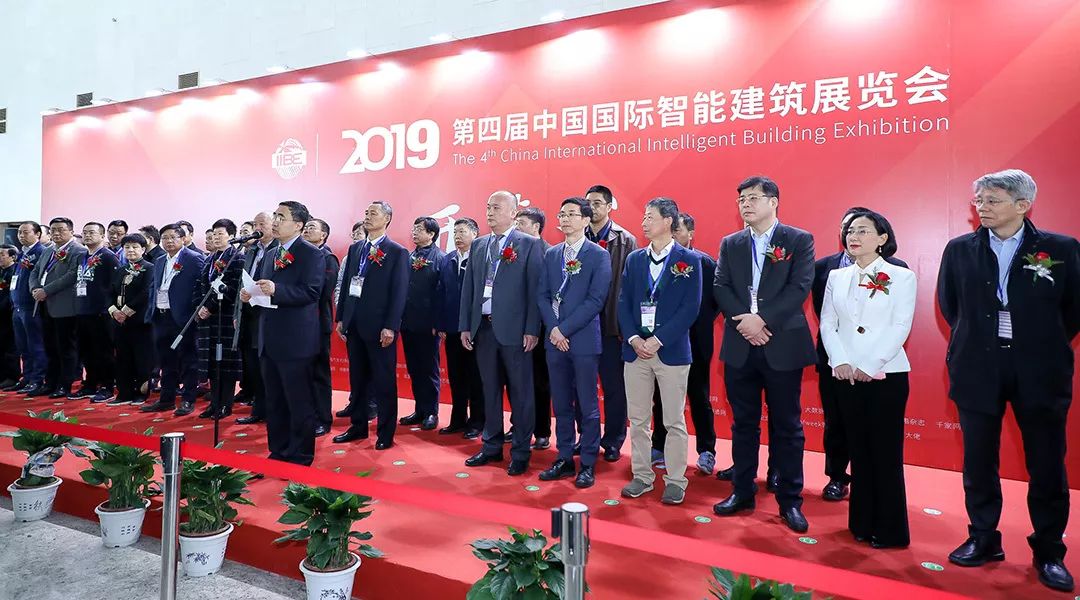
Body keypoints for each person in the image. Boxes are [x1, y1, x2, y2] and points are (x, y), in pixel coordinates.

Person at [938, 169, 1079, 593]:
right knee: (979, 458)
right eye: (978, 200)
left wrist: (1039, 341)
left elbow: (1073, 309)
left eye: (992, 200)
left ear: (1023, 205)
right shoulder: (960, 249)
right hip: (977, 366)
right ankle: (983, 536)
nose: (982, 207)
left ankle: (1049, 550)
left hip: (1039, 369)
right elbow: (950, 304)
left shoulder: (1060, 248)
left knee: (1046, 463)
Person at [712, 176, 815, 534]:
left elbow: (799, 287)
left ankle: (790, 500)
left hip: (781, 343)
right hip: (741, 344)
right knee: (743, 424)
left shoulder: (798, 239)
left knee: (787, 426)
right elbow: (721, 286)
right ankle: (742, 491)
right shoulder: (732, 243)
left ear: (773, 202)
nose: (746, 204)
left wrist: (762, 320)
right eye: (741, 199)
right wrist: (746, 323)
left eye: (753, 198)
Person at [820, 209, 915, 548]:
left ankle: (890, 531)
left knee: (884, 453)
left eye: (862, 230)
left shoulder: (901, 276)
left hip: (886, 375)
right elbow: (827, 323)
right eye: (849, 231)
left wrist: (870, 363)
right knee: (858, 450)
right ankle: (861, 523)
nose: (853, 237)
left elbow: (900, 326)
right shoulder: (836, 276)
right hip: (845, 375)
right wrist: (841, 360)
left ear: (882, 238)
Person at [617, 197, 701, 505]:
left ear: (668, 221)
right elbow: (623, 302)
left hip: (671, 352)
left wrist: (658, 339)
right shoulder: (635, 259)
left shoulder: (688, 260)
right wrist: (633, 338)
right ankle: (641, 475)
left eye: (650, 217)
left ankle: (676, 480)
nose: (644, 222)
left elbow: (690, 308)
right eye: (644, 217)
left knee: (673, 420)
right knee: (638, 419)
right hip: (636, 351)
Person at [460, 190, 544, 476]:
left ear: (513, 212)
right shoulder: (479, 245)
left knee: (521, 394)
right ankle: (491, 446)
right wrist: (466, 325)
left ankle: (520, 452)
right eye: (488, 207)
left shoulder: (529, 244)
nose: (490, 212)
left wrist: (532, 328)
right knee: (489, 391)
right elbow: (469, 289)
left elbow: (535, 290)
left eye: (496, 207)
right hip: (483, 329)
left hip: (516, 332)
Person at [536, 198, 611, 488]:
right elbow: (543, 295)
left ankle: (588, 462)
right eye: (562, 214)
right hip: (555, 341)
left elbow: (595, 300)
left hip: (583, 342)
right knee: (561, 403)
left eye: (571, 214)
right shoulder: (552, 254)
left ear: (586, 220)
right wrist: (554, 330)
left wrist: (564, 330)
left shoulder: (598, 255)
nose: (565, 219)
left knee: (588, 405)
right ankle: (564, 457)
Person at [241, 201, 324, 466]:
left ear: (298, 225)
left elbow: (311, 292)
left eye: (281, 217)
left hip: (296, 341)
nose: (275, 221)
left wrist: (277, 289)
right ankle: (278, 451)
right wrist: (251, 294)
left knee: (298, 401)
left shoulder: (311, 254)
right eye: (275, 216)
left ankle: (300, 454)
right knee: (274, 400)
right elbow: (265, 290)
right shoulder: (270, 253)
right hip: (269, 338)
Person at [332, 201, 409, 450]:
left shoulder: (396, 252)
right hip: (354, 324)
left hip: (380, 328)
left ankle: (385, 432)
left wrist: (391, 326)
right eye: (366, 213)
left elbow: (399, 292)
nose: (367, 216)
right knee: (358, 379)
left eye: (373, 213)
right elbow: (346, 284)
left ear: (387, 219)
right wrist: (341, 318)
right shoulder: (356, 249)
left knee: (384, 382)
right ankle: (358, 426)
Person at [649, 212, 719, 475]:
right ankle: (659, 445)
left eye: (677, 230)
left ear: (691, 234)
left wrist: (696, 322)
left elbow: (715, 303)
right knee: (661, 397)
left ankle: (706, 450)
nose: (673, 234)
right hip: (663, 341)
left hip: (696, 342)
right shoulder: (656, 261)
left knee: (699, 397)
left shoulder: (704, 263)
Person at [584, 184, 637, 462]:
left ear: (609, 206)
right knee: (582, 386)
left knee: (615, 387)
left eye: (597, 203)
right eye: (588, 203)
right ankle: (586, 436)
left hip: (611, 326)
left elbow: (631, 288)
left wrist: (626, 326)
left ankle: (614, 440)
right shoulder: (577, 236)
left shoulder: (625, 240)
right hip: (581, 325)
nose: (592, 208)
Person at [139, 223, 205, 416]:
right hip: (161, 316)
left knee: (188, 359)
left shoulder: (194, 258)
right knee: (166, 359)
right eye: (164, 238)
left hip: (183, 317)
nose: (168, 241)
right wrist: (151, 310)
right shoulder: (160, 260)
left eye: (172, 237)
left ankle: (188, 399)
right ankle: (166, 399)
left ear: (183, 239)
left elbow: (201, 286)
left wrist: (195, 311)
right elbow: (154, 286)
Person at [435, 218, 485, 439]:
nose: (457, 236)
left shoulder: (481, 258)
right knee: (456, 376)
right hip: (452, 327)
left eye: (462, 231)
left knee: (475, 376)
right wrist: (441, 323)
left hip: (475, 328)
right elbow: (441, 293)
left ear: (475, 233)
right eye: (455, 232)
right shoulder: (448, 259)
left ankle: (477, 421)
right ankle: (458, 420)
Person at [30, 217, 87, 399]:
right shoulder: (48, 250)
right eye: (53, 229)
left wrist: (45, 290)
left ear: (71, 231)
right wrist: (35, 288)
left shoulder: (79, 250)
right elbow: (35, 271)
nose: (56, 233)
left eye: (61, 229)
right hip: (44, 304)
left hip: (65, 306)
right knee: (50, 347)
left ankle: (65, 384)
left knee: (66, 348)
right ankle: (50, 383)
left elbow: (72, 276)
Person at [195, 219, 245, 420]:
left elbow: (234, 288)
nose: (215, 237)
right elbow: (199, 285)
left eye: (220, 234)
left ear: (232, 236)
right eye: (213, 234)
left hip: (225, 317)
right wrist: (200, 307)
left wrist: (210, 307)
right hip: (208, 320)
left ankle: (225, 404)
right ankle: (214, 403)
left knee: (226, 363)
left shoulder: (237, 258)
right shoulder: (209, 258)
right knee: (212, 363)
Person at [399, 216, 445, 430]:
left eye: (420, 229)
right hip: (408, 322)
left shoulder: (440, 258)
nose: (414, 232)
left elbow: (441, 293)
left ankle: (431, 412)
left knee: (429, 369)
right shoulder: (409, 256)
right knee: (414, 368)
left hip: (428, 325)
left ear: (431, 234)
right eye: (414, 228)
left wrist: (438, 322)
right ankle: (419, 409)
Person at [516, 207, 552, 450]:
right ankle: (518, 426)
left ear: (536, 227)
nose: (517, 227)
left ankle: (542, 431)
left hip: (541, 328)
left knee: (540, 381)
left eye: (522, 223)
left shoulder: (549, 252)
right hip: (514, 326)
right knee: (516, 381)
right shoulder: (512, 251)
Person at [333, 221, 376, 421]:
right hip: (352, 318)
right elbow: (341, 285)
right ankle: (355, 402)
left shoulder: (378, 254)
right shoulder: (350, 256)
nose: (356, 236)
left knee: (372, 366)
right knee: (356, 366)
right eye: (354, 233)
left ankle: (372, 404)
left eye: (360, 233)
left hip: (371, 318)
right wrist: (342, 314)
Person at [73, 222, 120, 403]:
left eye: (91, 232)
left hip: (101, 312)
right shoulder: (82, 256)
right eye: (85, 232)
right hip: (82, 309)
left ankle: (107, 386)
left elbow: (115, 285)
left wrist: (108, 308)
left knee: (104, 351)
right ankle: (90, 384)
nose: (87, 235)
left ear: (102, 235)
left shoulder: (108, 257)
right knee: (86, 351)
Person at [106, 234, 154, 406]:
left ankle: (141, 392)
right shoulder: (120, 269)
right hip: (119, 322)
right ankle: (124, 392)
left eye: (135, 247)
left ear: (143, 249)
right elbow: (110, 292)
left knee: (142, 358)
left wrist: (126, 311)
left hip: (140, 321)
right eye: (127, 247)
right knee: (122, 358)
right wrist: (114, 311)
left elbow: (146, 293)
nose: (131, 250)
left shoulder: (149, 268)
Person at [302, 217, 340, 436]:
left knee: (319, 374)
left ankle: (323, 419)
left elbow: (323, 292)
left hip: (317, 323)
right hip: (299, 324)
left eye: (312, 228)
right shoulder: (300, 256)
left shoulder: (328, 258)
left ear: (323, 235)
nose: (306, 230)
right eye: (305, 227)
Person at [9, 223, 48, 395]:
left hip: (31, 306)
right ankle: (27, 377)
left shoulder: (41, 252)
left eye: (25, 232)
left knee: (35, 345)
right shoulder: (21, 253)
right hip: (17, 306)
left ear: (37, 234)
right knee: (22, 346)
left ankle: (37, 379)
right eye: (19, 232)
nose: (21, 235)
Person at [0, 246, 20, 389]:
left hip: (9, 313)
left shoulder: (15, 271)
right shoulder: (2, 271)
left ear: (13, 257)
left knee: (10, 346)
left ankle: (12, 376)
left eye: (2, 254)